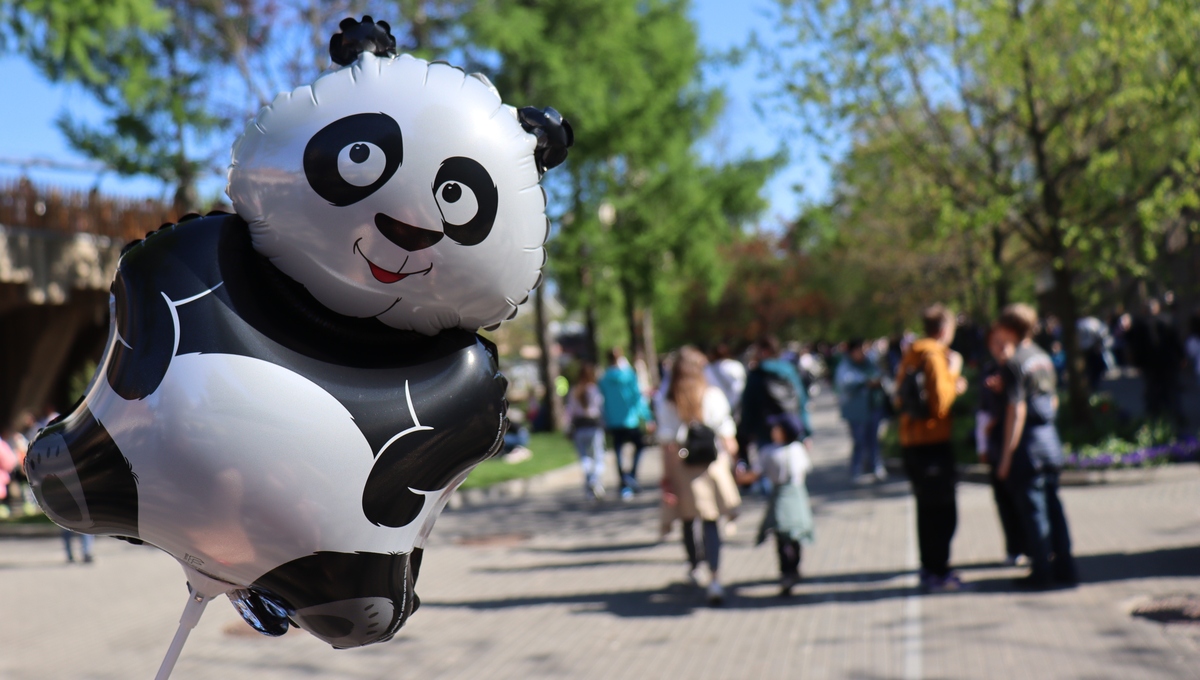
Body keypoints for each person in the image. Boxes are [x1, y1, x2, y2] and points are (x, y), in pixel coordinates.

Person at [993, 304, 1077, 589]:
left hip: (1028, 447)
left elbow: (1016, 410)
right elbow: (1053, 400)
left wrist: (1006, 456)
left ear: (1009, 329)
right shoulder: (1043, 357)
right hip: (1050, 441)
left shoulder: (1015, 362)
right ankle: (1065, 567)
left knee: (1034, 513)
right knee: (1054, 508)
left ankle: (1041, 572)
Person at [656, 346, 742, 605]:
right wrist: (736, 464)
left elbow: (667, 443)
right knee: (710, 520)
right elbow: (728, 437)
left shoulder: (667, 400)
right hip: (711, 464)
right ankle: (715, 577)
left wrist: (666, 476)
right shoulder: (713, 395)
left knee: (687, 518)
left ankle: (695, 565)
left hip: (682, 465)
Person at [895, 304, 968, 592]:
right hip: (933, 442)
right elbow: (940, 404)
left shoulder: (911, 353)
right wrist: (955, 375)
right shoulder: (935, 355)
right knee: (942, 513)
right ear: (945, 329)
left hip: (911, 442)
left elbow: (899, 398)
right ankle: (938, 570)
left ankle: (930, 568)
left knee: (926, 510)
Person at [736, 413, 815, 596]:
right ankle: (794, 569)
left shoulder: (769, 452)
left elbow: (754, 474)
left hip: (781, 496)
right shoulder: (798, 449)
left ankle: (787, 572)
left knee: (782, 537)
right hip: (799, 496)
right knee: (795, 534)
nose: (772, 431)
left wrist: (738, 478)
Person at [976, 326, 1026, 566]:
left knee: (1023, 501)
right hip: (997, 447)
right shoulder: (989, 372)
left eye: (1005, 341)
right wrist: (982, 446)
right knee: (1004, 500)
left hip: (1021, 447)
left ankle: (1032, 547)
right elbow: (983, 412)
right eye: (996, 342)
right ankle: (1014, 548)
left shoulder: (1020, 368)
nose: (1001, 347)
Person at [740, 336, 812, 463]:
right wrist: (806, 431)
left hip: (766, 433)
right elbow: (801, 401)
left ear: (764, 351)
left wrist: (746, 433)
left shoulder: (755, 375)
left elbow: (747, 407)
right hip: (792, 428)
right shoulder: (789, 370)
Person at [598, 347, 654, 499]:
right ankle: (631, 476)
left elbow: (601, 401)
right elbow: (638, 398)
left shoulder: (604, 379)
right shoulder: (629, 375)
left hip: (613, 421)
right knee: (639, 446)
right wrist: (648, 417)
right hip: (630, 420)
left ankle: (623, 481)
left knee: (618, 451)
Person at [835, 338, 887, 483]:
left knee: (873, 439)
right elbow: (844, 384)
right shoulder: (845, 366)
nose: (864, 352)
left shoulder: (869, 363)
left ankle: (875, 466)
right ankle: (856, 469)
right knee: (859, 441)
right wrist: (865, 382)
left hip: (872, 406)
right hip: (856, 410)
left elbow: (879, 376)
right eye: (861, 349)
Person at [565, 363, 606, 501]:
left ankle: (591, 487)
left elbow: (570, 411)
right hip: (593, 426)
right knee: (598, 456)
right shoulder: (593, 389)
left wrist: (567, 427)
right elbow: (599, 407)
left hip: (579, 428)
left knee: (584, 458)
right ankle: (594, 480)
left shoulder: (574, 390)